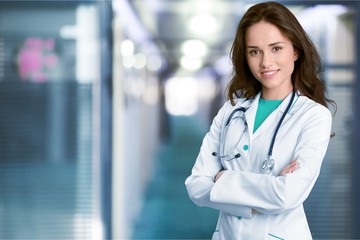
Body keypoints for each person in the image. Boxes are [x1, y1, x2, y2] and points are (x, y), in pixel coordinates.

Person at [185, 1, 336, 240]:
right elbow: (196, 186)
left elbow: (288, 194)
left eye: (276, 48)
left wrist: (223, 179)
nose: (265, 62)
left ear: (295, 51)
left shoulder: (314, 116)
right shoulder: (230, 112)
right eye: (254, 51)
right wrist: (257, 198)